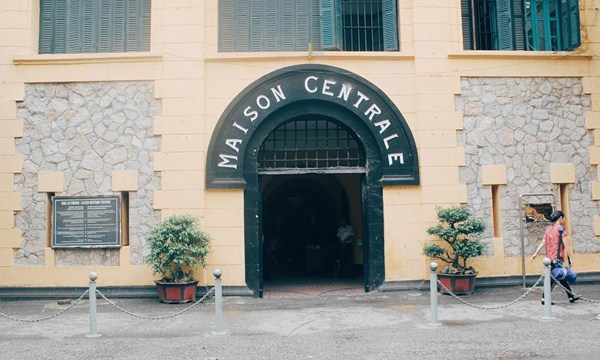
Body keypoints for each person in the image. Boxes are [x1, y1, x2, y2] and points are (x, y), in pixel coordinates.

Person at [531, 210, 579, 304]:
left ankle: (571, 296)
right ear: (560, 218)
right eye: (562, 219)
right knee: (553, 278)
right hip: (557, 258)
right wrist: (570, 259)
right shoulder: (561, 230)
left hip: (549, 259)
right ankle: (544, 298)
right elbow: (567, 246)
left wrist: (536, 252)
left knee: (559, 276)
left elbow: (543, 242)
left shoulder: (548, 230)